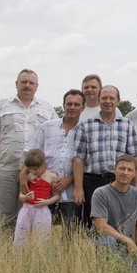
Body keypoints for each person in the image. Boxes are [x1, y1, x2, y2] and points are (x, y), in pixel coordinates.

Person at [0, 68, 55, 229]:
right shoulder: (1, 106)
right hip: (6, 168)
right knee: (4, 217)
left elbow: (55, 138)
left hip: (35, 172)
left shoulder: (47, 109)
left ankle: (25, 246)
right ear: (16, 84)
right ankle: (4, 246)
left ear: (37, 86)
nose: (27, 85)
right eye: (23, 82)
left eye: (31, 83)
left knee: (29, 215)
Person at [72, 85, 137, 227]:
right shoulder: (86, 125)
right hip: (93, 181)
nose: (108, 101)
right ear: (99, 100)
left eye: (112, 98)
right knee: (93, 223)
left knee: (120, 221)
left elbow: (135, 157)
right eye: (104, 98)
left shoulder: (128, 125)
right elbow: (79, 159)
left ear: (118, 101)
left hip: (120, 180)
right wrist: (78, 188)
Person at [24, 89, 85, 228]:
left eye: (77, 104)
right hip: (43, 190)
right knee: (40, 230)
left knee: (71, 231)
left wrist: (68, 180)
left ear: (83, 107)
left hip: (71, 192)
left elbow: (86, 162)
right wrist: (23, 174)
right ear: (63, 105)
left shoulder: (86, 129)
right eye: (69, 104)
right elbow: (31, 153)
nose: (72, 107)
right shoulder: (47, 126)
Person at [90, 155, 137, 259]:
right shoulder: (101, 193)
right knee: (108, 241)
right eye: (122, 168)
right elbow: (101, 226)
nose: (125, 172)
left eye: (129, 170)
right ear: (114, 170)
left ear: (134, 173)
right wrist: (127, 240)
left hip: (130, 248)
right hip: (107, 243)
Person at [13, 149, 61, 247]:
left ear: (44, 164)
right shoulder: (28, 176)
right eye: (30, 169)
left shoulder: (52, 176)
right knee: (21, 235)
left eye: (35, 169)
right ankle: (19, 254)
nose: (33, 171)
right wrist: (25, 197)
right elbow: (21, 196)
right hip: (26, 209)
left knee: (41, 238)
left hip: (42, 211)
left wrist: (46, 202)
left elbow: (57, 196)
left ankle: (39, 254)